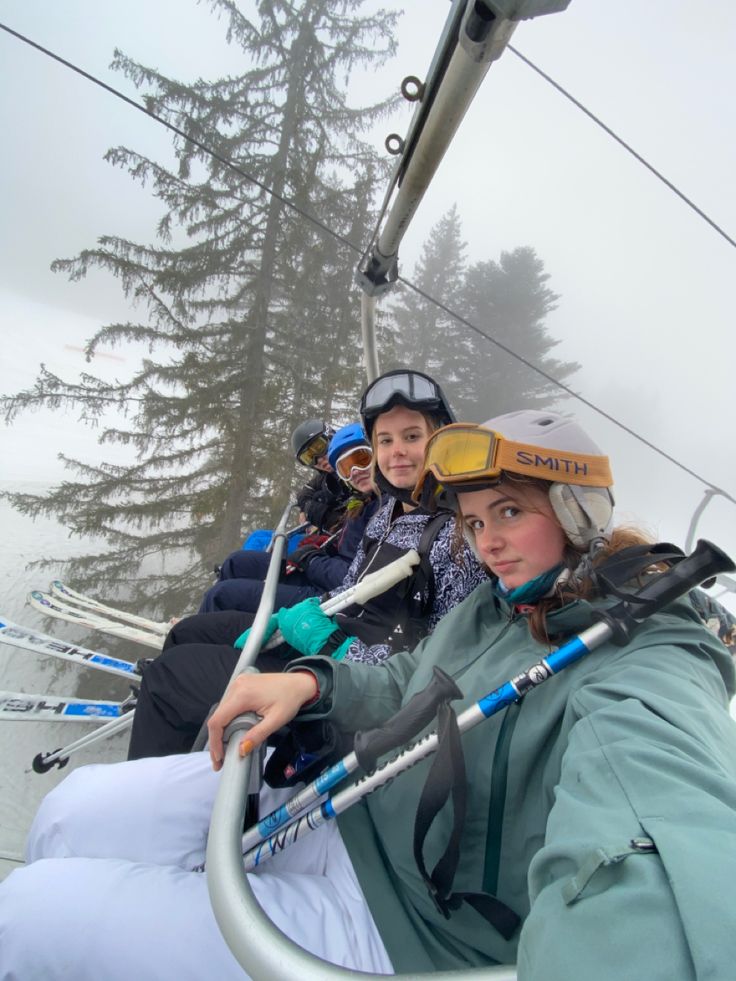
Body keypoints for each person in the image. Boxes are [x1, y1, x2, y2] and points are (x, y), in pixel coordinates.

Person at [3, 408, 734, 981]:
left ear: (577, 509)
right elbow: (408, 687)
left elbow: (662, 828)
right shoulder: (502, 603)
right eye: (476, 522)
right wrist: (314, 680)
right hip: (347, 809)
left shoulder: (642, 660)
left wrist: (630, 926)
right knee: (74, 810)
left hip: (407, 922)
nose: (488, 543)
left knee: (31, 917)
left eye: (509, 511)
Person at [125, 370, 487, 758]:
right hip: (324, 642)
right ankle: (194, 744)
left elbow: (433, 670)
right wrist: (294, 617)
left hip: (348, 690)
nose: (397, 450)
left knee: (170, 676)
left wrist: (332, 645)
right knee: (189, 633)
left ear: (440, 441)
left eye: (412, 437)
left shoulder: (458, 542)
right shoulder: (388, 514)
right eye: (385, 440)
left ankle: (168, 788)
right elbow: (351, 586)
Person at [199, 418, 351, 613]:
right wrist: (318, 511)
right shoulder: (329, 479)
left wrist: (322, 520)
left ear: (332, 436)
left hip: (327, 581)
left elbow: (344, 533)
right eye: (309, 457)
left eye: (320, 447)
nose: (319, 459)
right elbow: (304, 495)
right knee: (235, 562)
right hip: (320, 564)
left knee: (222, 594)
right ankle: (206, 618)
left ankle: (213, 623)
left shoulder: (362, 485)